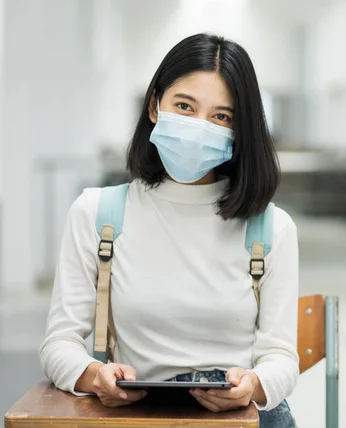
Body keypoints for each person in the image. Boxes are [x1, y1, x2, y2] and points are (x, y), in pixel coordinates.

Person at [39, 33, 299, 428]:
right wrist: (94, 376)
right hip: (140, 416)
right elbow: (59, 344)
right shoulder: (98, 213)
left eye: (221, 117)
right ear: (154, 106)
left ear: (238, 131)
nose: (199, 127)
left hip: (242, 421)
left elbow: (282, 359)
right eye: (184, 106)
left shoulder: (272, 228)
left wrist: (255, 384)